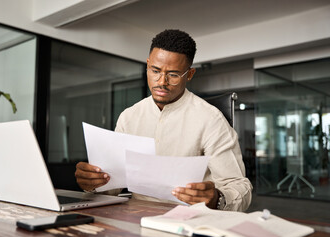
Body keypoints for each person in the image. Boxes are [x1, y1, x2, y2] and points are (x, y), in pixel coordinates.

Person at [75, 29, 252, 211]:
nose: (162, 82)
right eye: (155, 70)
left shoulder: (211, 119)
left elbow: (241, 188)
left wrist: (217, 198)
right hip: (135, 218)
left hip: (189, 219)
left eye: (173, 74)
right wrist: (94, 183)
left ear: (189, 74)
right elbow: (112, 188)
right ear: (147, 65)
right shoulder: (129, 116)